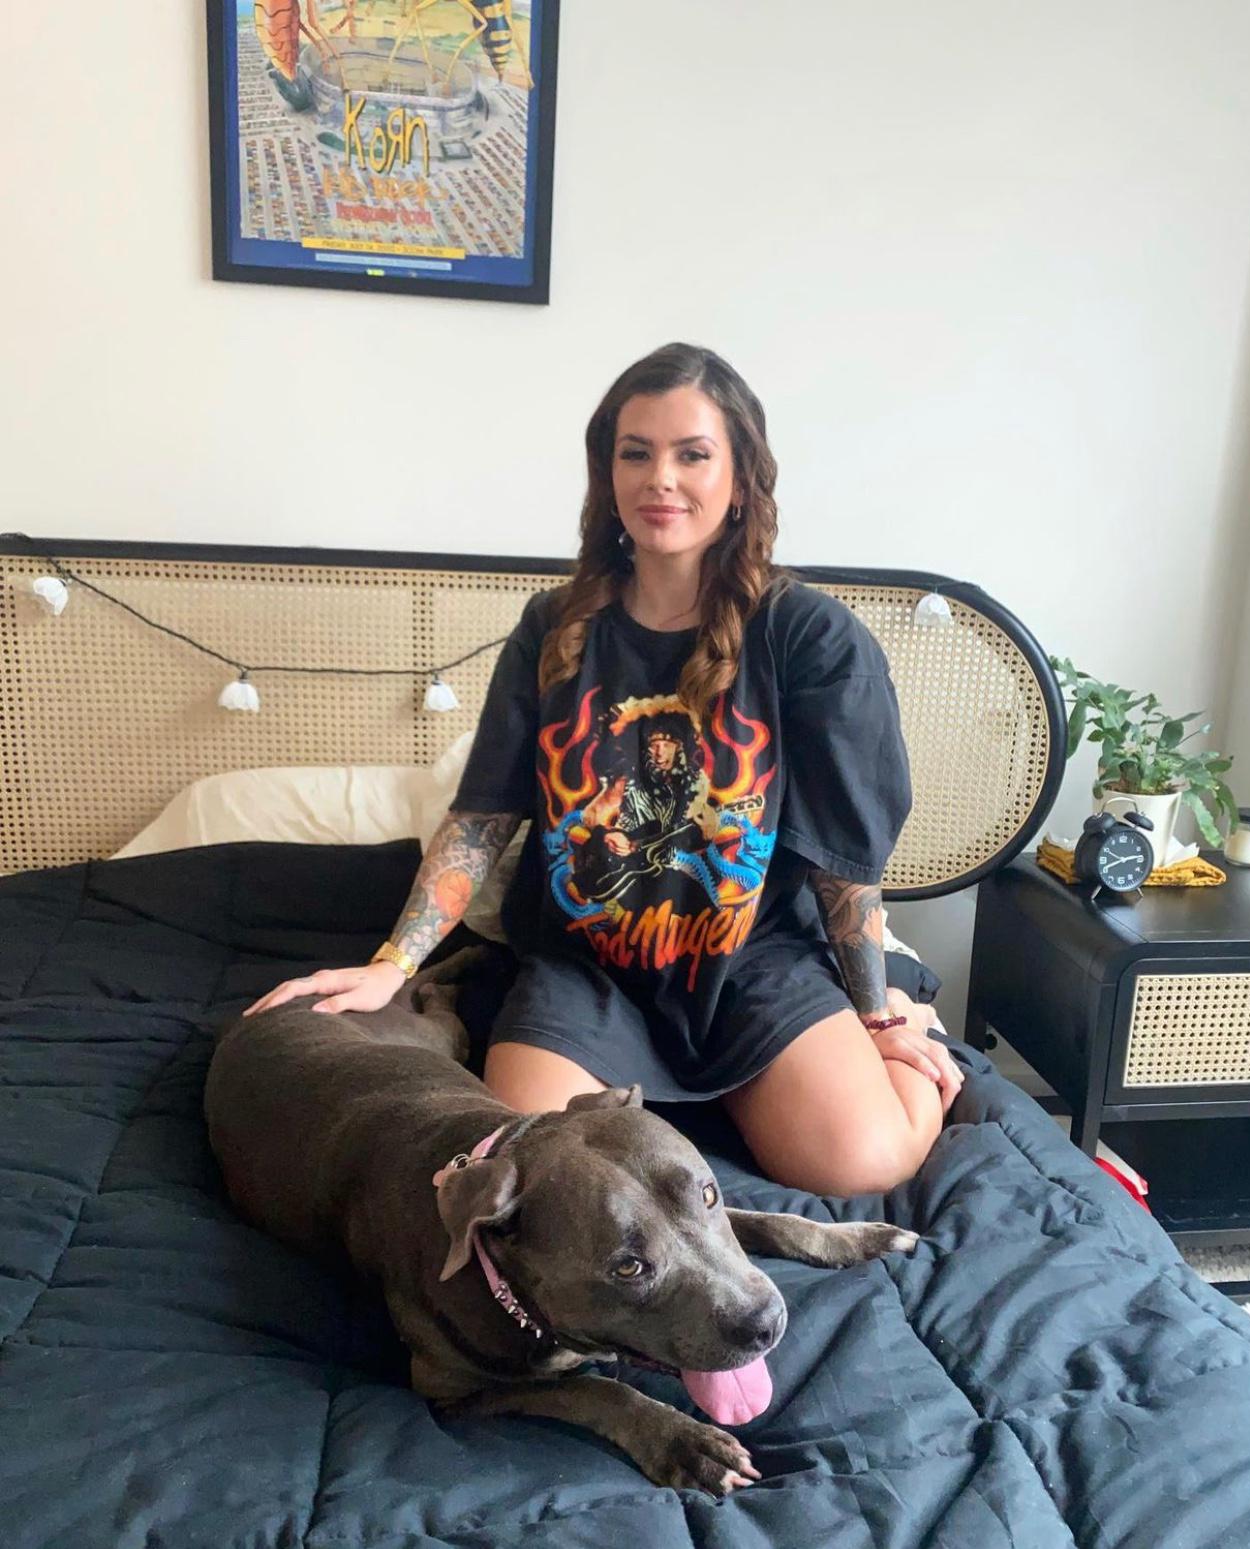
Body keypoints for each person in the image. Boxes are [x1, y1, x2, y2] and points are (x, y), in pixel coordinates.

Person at [244, 342, 964, 1195]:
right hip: (586, 968)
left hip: (754, 961)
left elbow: (843, 860)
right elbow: (483, 818)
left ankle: (904, 1028)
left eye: (692, 454)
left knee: (863, 1163)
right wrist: (391, 964)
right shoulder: (553, 627)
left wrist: (876, 1011)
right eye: (636, 453)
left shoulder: (807, 635)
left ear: (740, 479)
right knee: (542, 1171)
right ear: (607, 473)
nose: (661, 478)